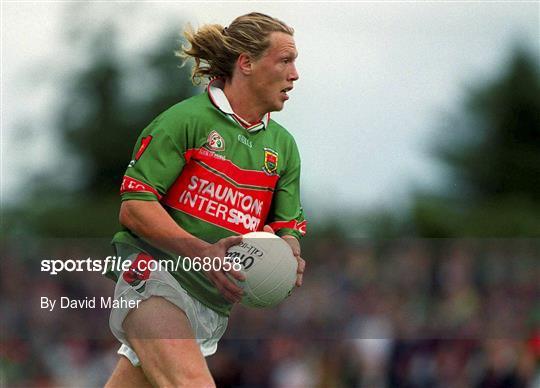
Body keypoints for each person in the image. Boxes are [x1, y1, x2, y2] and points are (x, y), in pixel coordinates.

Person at [104, 12, 307, 387]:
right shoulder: (185, 121)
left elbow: (287, 225)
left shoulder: (284, 148)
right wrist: (201, 251)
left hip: (212, 303)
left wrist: (288, 255)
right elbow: (134, 207)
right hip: (153, 280)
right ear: (246, 63)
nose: (295, 74)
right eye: (285, 61)